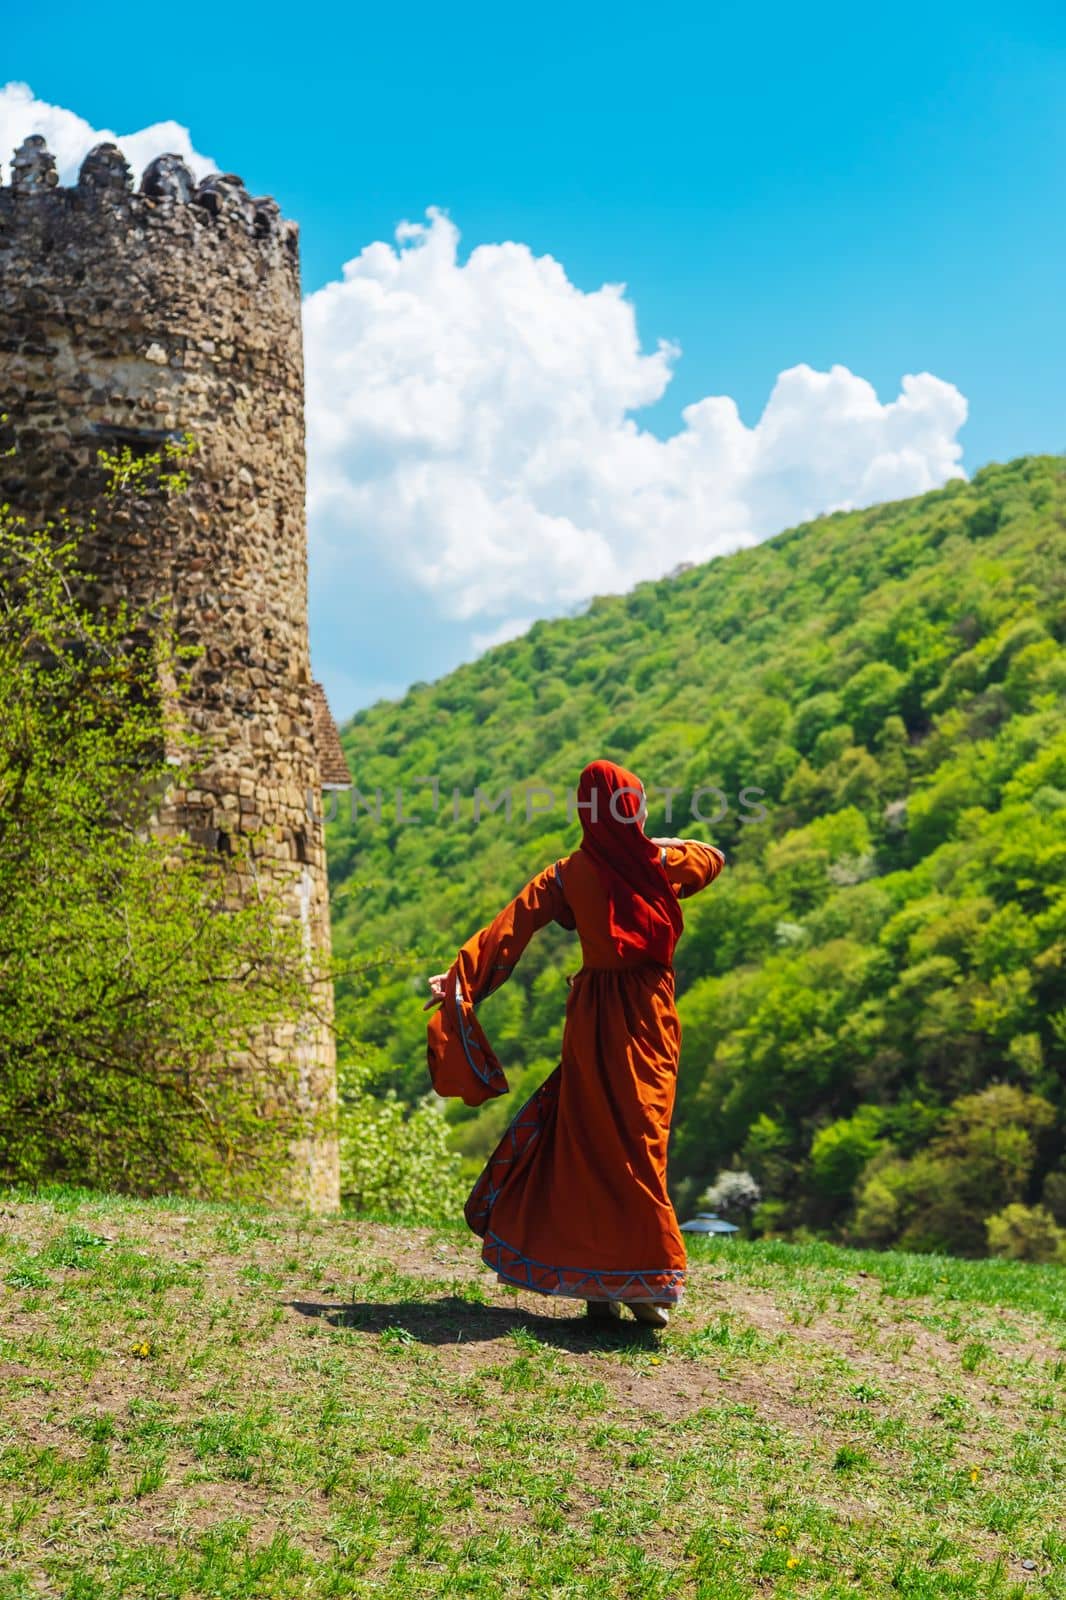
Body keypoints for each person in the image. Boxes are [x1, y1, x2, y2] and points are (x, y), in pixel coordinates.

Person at [424, 759, 724, 1328]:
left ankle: (605, 1290)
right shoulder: (662, 864)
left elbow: (506, 931)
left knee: (593, 1142)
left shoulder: (568, 874)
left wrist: (461, 978)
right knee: (640, 1141)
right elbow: (714, 857)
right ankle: (641, 1281)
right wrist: (658, 842)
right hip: (648, 1015)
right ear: (633, 809)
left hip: (593, 1017)